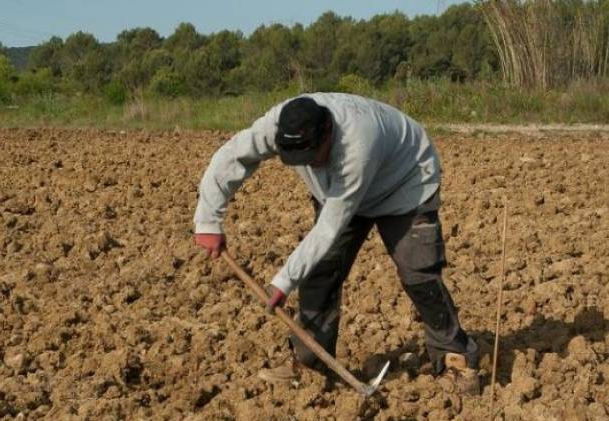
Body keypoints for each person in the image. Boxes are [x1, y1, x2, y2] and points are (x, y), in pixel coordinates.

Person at [193, 93, 480, 395]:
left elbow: (331, 224)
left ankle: (456, 357)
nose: (309, 166)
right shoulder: (278, 125)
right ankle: (310, 364)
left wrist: (283, 281)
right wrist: (208, 220)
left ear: (328, 133)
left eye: (312, 157)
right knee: (320, 272)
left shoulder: (358, 143)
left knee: (419, 273)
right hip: (338, 192)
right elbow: (232, 155)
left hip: (405, 184)